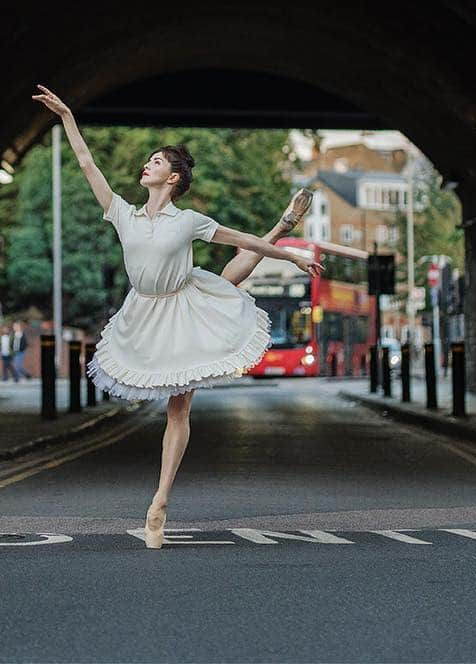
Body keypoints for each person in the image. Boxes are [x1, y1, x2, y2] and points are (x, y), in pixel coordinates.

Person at [31, 83, 320, 549]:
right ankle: (283, 225)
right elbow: (88, 165)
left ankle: (159, 502)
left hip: (184, 299)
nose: (147, 164)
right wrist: (66, 117)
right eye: (150, 159)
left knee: (181, 401)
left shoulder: (188, 221)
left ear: (173, 179)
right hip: (144, 311)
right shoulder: (121, 213)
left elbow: (244, 241)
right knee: (227, 284)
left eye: (158, 161)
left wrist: (291, 258)